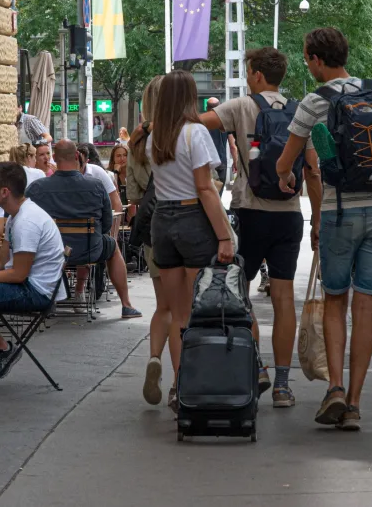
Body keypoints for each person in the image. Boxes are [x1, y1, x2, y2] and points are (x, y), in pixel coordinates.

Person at [275, 27, 372, 432]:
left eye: (307, 59)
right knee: (367, 304)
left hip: (340, 213)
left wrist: (287, 178)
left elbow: (286, 162)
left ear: (317, 60)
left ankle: (334, 387)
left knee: (335, 300)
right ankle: (354, 403)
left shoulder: (314, 102)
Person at [201, 47, 322, 408]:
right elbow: (313, 170)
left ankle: (258, 366)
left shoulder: (241, 107)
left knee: (240, 291)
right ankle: (284, 386)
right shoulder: (301, 110)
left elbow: (196, 122)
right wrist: (317, 221)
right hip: (288, 216)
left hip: (250, 212)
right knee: (284, 298)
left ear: (255, 74)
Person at [148, 70, 234, 413]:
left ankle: (176, 384)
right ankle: (191, 384)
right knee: (196, 312)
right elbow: (204, 188)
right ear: (189, 97)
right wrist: (224, 234)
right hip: (191, 220)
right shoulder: (195, 133)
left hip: (162, 222)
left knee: (176, 311)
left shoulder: (156, 136)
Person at [0, 162, 66, 384]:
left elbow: (18, 274)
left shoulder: (26, 221)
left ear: (5, 192)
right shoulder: (15, 215)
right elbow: (1, 260)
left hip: (37, 292)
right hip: (27, 284)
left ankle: (2, 348)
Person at [26, 140, 141, 318]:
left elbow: (28, 221)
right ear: (77, 156)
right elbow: (106, 224)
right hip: (89, 250)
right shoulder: (95, 186)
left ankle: (48, 298)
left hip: (52, 252)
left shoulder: (36, 188)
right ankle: (126, 305)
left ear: (54, 158)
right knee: (112, 245)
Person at [127, 75, 171, 405]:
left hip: (151, 228)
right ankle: (180, 382)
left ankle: (155, 356)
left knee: (163, 306)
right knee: (184, 309)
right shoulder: (179, 134)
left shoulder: (136, 144)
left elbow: (134, 197)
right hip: (182, 226)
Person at [77, 142, 124, 225]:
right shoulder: (64, 173)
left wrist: (113, 235)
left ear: (87, 161)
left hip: (96, 226)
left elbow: (116, 203)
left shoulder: (99, 172)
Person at [204, 97, 237, 189]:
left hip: (206, 163)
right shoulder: (226, 123)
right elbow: (232, 146)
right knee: (219, 191)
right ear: (219, 108)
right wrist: (235, 161)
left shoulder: (201, 122)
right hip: (221, 162)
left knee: (207, 192)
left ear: (207, 108)